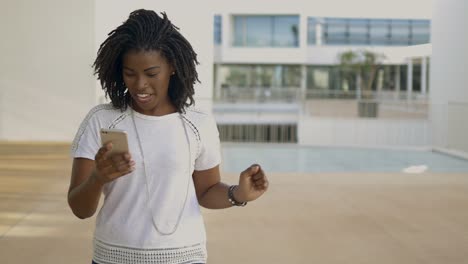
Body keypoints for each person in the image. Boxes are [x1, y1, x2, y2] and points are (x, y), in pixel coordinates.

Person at [67, 9, 269, 264]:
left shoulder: (198, 124)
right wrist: (98, 178)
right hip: (113, 258)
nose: (140, 84)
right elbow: (79, 208)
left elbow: (206, 191)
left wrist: (239, 193)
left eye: (151, 73)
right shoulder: (101, 119)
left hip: (184, 256)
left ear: (172, 67)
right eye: (130, 73)